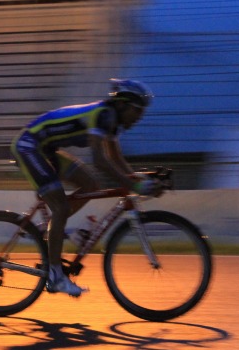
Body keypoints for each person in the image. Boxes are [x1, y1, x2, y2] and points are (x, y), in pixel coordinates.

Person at [11, 79, 162, 297]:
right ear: (123, 104)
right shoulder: (103, 116)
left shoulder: (113, 123)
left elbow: (116, 159)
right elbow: (100, 161)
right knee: (61, 208)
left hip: (46, 149)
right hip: (29, 146)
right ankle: (55, 277)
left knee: (91, 185)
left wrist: (139, 179)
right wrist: (135, 184)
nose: (140, 118)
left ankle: (48, 228)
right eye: (138, 111)